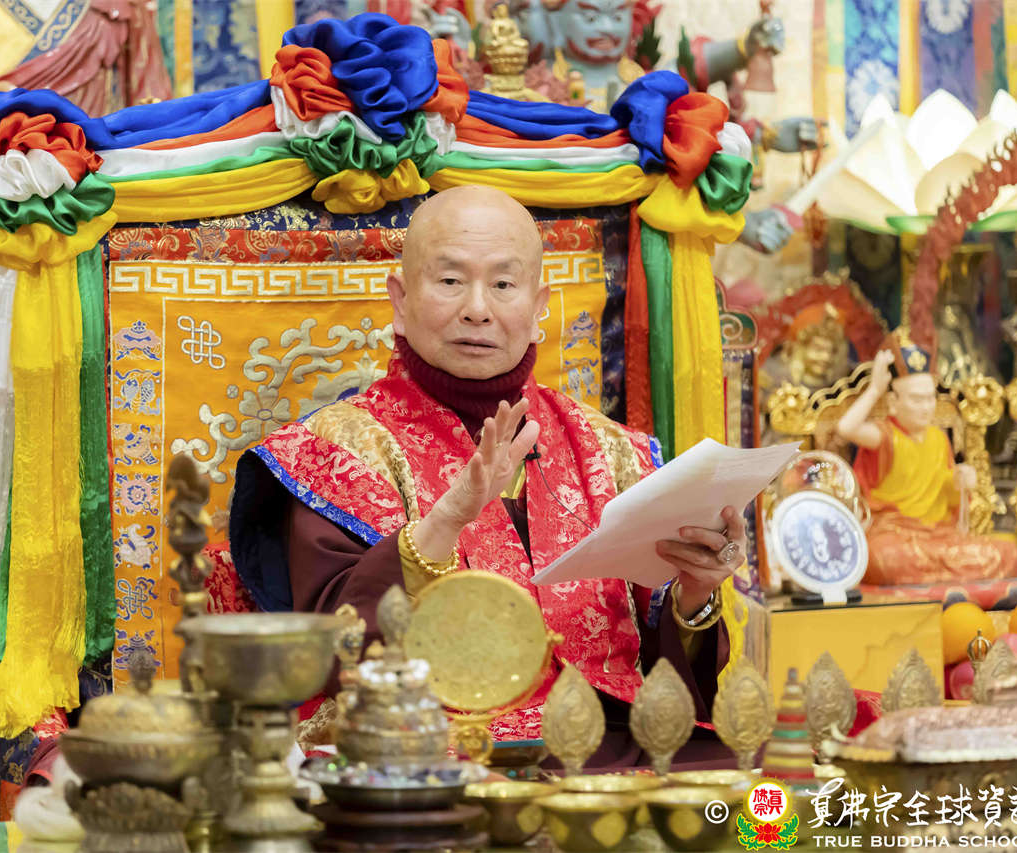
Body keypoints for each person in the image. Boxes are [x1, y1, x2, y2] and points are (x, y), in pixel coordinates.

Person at [229, 185, 747, 766]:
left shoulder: (610, 449)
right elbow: (335, 653)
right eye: (451, 280)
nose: (478, 308)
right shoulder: (337, 451)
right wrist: (446, 521)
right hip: (430, 751)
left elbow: (664, 676)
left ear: (538, 305)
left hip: (611, 743)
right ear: (400, 299)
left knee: (750, 777)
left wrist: (695, 595)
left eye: (503, 284)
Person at [836, 332, 1017, 585]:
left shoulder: (938, 439)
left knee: (1010, 554)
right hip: (895, 535)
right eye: (916, 399)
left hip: (938, 536)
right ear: (893, 402)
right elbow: (846, 428)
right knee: (883, 558)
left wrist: (959, 482)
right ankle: (947, 573)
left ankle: (934, 574)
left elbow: (946, 496)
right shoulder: (885, 436)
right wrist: (875, 389)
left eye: (930, 398)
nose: (926, 407)